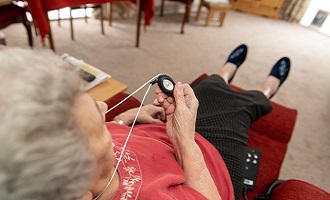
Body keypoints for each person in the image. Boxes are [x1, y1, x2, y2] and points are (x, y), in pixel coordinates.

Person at [0, 44, 290, 200]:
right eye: (100, 126)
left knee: (205, 88)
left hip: (159, 136)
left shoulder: (64, 168)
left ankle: (224, 74)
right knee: (235, 102)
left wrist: (124, 119)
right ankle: (266, 91)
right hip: (210, 165)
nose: (104, 108)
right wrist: (185, 140)